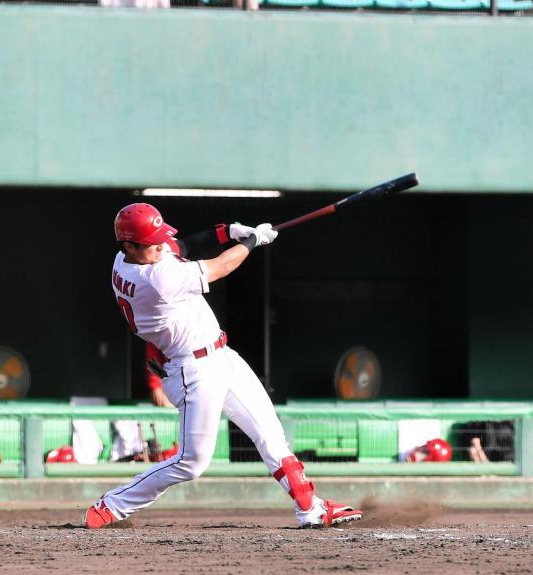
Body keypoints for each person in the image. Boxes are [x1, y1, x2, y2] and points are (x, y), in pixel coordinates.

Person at [85, 203, 363, 529]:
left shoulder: (127, 259)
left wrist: (230, 231)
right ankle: (111, 504)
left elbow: (181, 245)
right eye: (151, 243)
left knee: (271, 435)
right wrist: (253, 241)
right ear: (129, 245)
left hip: (221, 355)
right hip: (193, 371)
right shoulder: (157, 279)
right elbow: (221, 267)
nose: (160, 246)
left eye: (159, 238)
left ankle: (310, 508)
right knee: (191, 462)